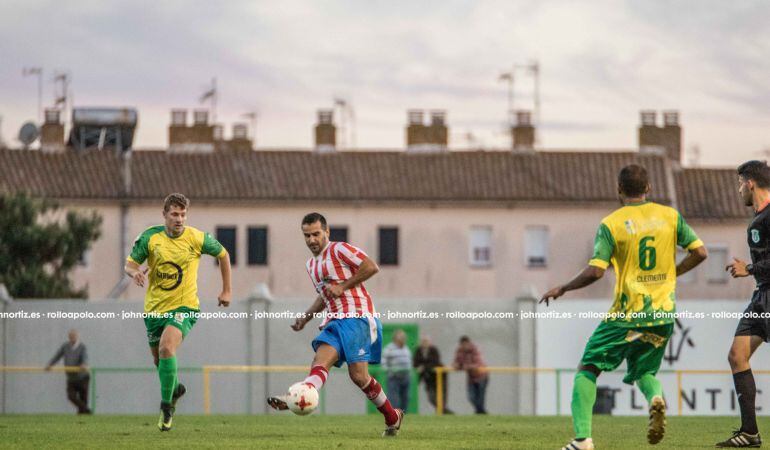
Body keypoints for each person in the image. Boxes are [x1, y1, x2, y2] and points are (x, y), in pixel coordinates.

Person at [540, 164, 707, 450]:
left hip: (626, 315)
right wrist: (672, 273)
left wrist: (564, 288)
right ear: (648, 189)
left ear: (619, 190)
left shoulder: (611, 224)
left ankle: (582, 440)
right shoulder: (670, 216)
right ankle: (655, 399)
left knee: (588, 368)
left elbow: (595, 271)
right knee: (645, 373)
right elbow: (700, 252)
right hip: (662, 314)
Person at [267, 212, 404, 437]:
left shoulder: (339, 249)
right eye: (307, 235)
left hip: (357, 317)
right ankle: (301, 396)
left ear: (327, 232)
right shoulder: (311, 265)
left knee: (359, 376)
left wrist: (343, 286)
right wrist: (306, 317)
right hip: (333, 321)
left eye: (316, 234)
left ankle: (392, 416)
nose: (311, 240)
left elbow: (371, 267)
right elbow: (323, 296)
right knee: (320, 361)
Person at [124, 193, 231, 431]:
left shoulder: (196, 238)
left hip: (185, 307)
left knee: (166, 347)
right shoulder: (150, 238)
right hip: (154, 309)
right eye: (174, 214)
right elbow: (130, 265)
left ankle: (166, 408)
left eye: (183, 214)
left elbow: (223, 254)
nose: (179, 219)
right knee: (158, 360)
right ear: (165, 215)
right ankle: (174, 390)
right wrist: (135, 273)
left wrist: (226, 291)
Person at [719, 160, 770, 447]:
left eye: (740, 183)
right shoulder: (757, 220)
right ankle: (750, 432)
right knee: (737, 356)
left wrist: (749, 269)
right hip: (762, 296)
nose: (739, 190)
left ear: (750, 183)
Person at [46, 329, 91, 414]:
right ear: (69, 337)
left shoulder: (82, 347)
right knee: (71, 396)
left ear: (77, 337)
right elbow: (57, 356)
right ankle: (86, 410)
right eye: (70, 337)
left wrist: (84, 364)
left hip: (82, 377)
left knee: (83, 397)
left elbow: (85, 357)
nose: (72, 338)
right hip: (71, 378)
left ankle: (83, 418)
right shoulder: (65, 346)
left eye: (74, 336)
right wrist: (50, 364)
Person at [413, 336, 452, 414]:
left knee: (441, 397)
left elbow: (435, 362)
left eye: (426, 341)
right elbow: (415, 363)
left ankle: (442, 412)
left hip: (439, 377)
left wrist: (423, 367)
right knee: (431, 398)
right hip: (428, 378)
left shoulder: (434, 350)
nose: (424, 343)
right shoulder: (418, 351)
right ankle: (445, 412)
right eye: (423, 341)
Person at [453, 335, 488, 414]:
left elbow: (478, 363)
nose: (464, 346)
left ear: (469, 343)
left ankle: (480, 413)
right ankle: (482, 413)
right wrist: (456, 365)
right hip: (471, 378)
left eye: (466, 344)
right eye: (462, 345)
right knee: (471, 398)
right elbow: (457, 362)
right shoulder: (459, 351)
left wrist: (466, 366)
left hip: (482, 376)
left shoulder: (475, 349)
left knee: (480, 399)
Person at [382, 329, 412, 411]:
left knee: (405, 398)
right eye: (401, 336)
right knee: (393, 398)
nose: (403, 338)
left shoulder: (406, 348)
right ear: (395, 338)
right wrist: (389, 371)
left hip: (405, 376)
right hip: (394, 377)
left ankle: (403, 414)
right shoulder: (389, 348)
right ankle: (393, 415)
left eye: (403, 337)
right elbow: (383, 362)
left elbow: (409, 361)